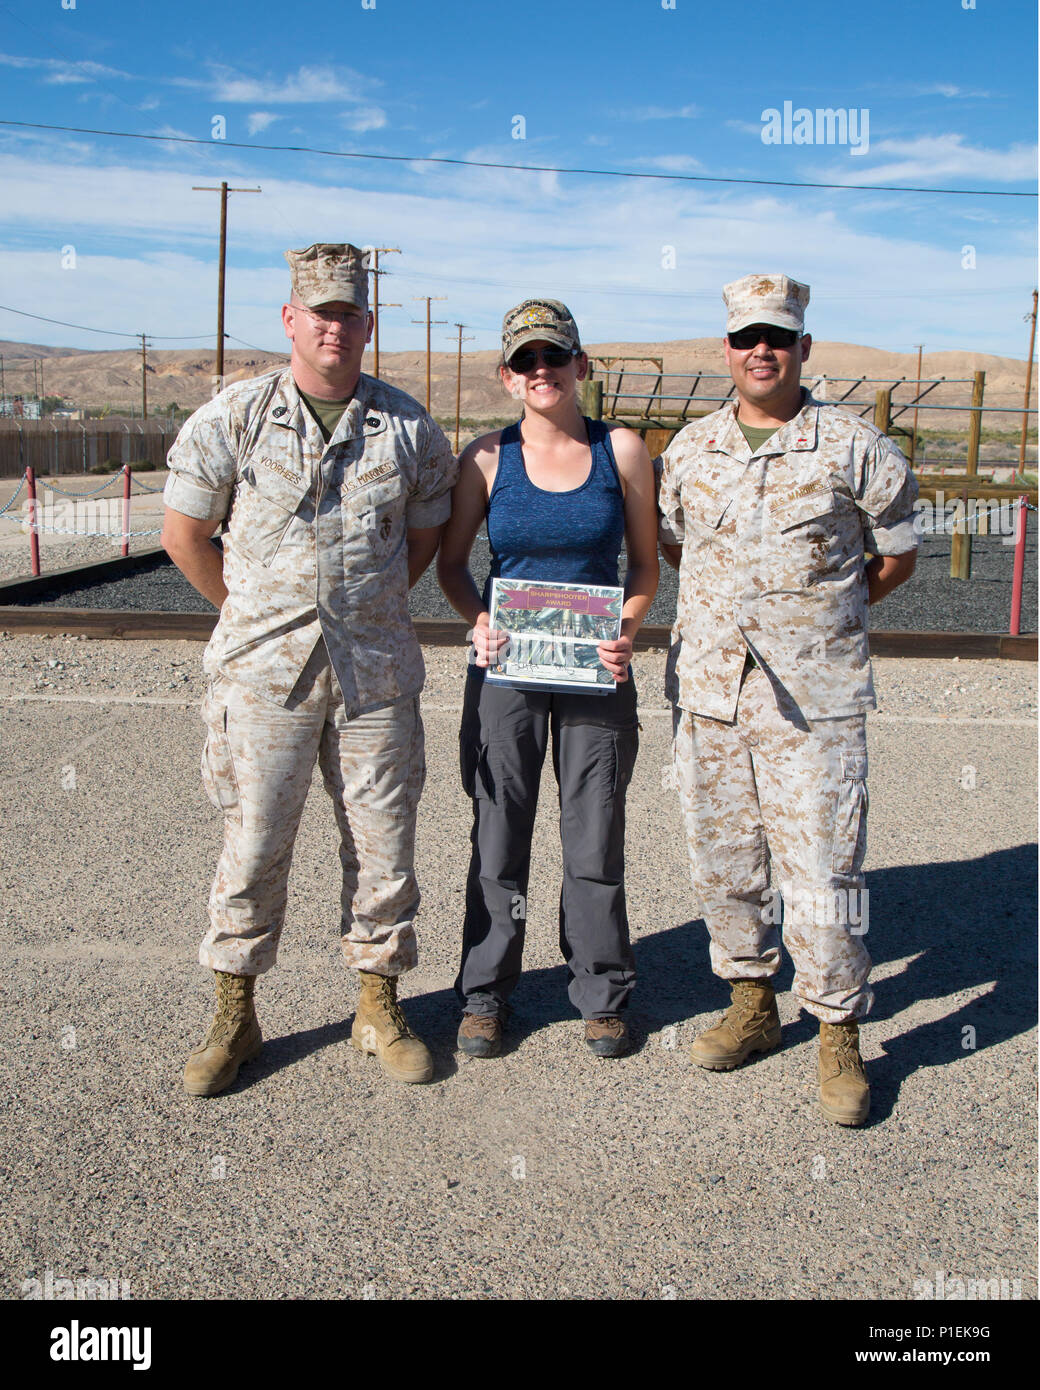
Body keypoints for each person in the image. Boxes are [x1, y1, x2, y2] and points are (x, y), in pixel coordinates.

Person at [161, 241, 458, 1095]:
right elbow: (184, 536)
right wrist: (252, 616)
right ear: (292, 319)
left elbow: (427, 537)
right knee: (254, 843)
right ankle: (235, 1015)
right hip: (264, 678)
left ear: (368, 324)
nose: (335, 327)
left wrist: (367, 613)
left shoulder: (407, 427)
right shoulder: (235, 416)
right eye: (319, 313)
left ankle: (378, 1005)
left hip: (374, 679)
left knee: (384, 846)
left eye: (350, 313)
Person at [657, 273, 918, 1126]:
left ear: (804, 346)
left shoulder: (853, 448)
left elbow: (896, 556)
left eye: (776, 337)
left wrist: (824, 622)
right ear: (726, 351)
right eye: (745, 338)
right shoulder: (691, 451)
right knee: (725, 858)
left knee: (823, 869)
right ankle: (751, 1002)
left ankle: (838, 1030)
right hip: (710, 692)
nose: (760, 350)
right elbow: (672, 545)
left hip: (814, 701)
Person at [438, 298, 659, 1058]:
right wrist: (477, 623)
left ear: (580, 366)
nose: (543, 371)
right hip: (508, 674)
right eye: (526, 361)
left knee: (593, 836)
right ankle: (485, 992)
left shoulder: (622, 451)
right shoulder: (486, 460)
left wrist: (626, 634)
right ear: (508, 375)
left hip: (597, 675)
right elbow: (452, 566)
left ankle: (601, 991)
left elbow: (645, 566)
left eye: (554, 358)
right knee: (500, 830)